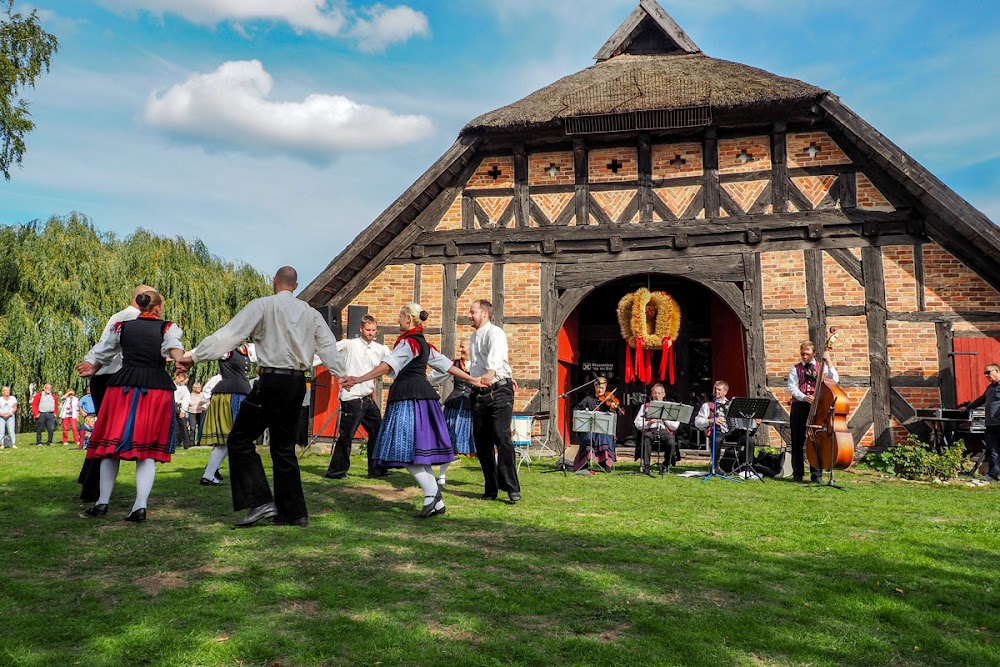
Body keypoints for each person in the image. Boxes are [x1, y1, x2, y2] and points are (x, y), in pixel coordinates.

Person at [182, 266, 345, 528]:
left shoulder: (263, 306)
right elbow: (328, 346)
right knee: (283, 447)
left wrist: (194, 356)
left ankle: (259, 501)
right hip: (296, 383)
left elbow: (229, 335)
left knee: (239, 439)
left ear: (274, 282)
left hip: (272, 381)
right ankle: (293, 513)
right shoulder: (311, 313)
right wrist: (342, 373)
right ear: (295, 285)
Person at [342, 303, 481, 517]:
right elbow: (447, 365)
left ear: (408, 318)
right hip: (423, 399)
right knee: (415, 454)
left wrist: (358, 379)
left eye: (400, 316)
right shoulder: (423, 344)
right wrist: (473, 379)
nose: (398, 320)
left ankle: (432, 496)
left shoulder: (408, 343)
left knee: (406, 451)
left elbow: (388, 365)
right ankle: (434, 499)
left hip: (408, 399)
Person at [76, 289, 187, 522]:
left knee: (110, 445)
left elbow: (105, 351)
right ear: (158, 308)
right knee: (147, 451)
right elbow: (174, 345)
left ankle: (102, 503)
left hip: (123, 386)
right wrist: (180, 360)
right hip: (154, 387)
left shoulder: (122, 327)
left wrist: (92, 367)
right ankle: (140, 506)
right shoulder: (167, 327)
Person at [77, 284, 152, 502]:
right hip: (113, 379)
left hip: (104, 377)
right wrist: (93, 363)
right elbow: (110, 346)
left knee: (104, 430)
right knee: (109, 433)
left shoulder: (119, 316)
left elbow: (105, 345)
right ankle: (92, 488)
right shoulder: (133, 318)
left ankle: (89, 480)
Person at [325, 314, 391, 480]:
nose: (370, 333)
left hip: (367, 397)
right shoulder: (349, 344)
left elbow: (394, 362)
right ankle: (336, 471)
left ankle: (376, 470)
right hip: (351, 397)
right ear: (361, 329)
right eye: (368, 330)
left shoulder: (380, 349)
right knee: (347, 435)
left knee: (378, 430)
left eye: (373, 330)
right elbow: (328, 352)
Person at [468, 299, 521, 503]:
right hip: (480, 392)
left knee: (501, 435)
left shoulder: (495, 332)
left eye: (472, 312)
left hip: (499, 391)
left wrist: (492, 372)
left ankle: (511, 487)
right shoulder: (474, 337)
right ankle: (491, 488)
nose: (469, 316)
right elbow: (476, 365)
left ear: (484, 313)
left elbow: (496, 355)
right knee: (482, 441)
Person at [197, 343, 254, 486]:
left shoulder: (247, 349)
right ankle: (210, 474)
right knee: (230, 437)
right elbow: (206, 350)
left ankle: (213, 470)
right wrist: (187, 358)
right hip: (229, 395)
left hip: (238, 394)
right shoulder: (226, 349)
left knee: (232, 438)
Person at [787, 341, 839, 483]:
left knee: (815, 439)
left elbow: (834, 380)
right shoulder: (795, 369)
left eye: (807, 354)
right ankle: (797, 474)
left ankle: (816, 474)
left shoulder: (821, 367)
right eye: (802, 354)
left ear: (814, 353)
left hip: (817, 407)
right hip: (800, 406)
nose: (804, 357)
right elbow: (792, 387)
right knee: (797, 440)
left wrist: (829, 361)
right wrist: (804, 397)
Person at [430, 337, 475, 486]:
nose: (460, 349)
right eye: (460, 346)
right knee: (449, 440)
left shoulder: (479, 364)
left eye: (463, 347)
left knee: (480, 439)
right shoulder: (454, 364)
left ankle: (495, 475)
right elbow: (434, 377)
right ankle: (442, 475)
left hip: (472, 406)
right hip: (455, 405)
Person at [572, 377, 620, 473]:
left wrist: (612, 409)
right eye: (598, 387)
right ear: (595, 387)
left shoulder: (609, 399)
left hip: (604, 429)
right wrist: (585, 413)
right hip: (590, 429)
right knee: (587, 436)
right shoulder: (588, 399)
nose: (600, 390)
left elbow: (613, 417)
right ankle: (584, 462)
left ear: (605, 387)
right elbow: (577, 410)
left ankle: (605, 463)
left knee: (604, 437)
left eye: (602, 388)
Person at [633, 383, 680, 470]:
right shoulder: (645, 406)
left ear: (664, 394)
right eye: (654, 393)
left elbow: (675, 426)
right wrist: (649, 423)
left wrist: (665, 418)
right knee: (646, 438)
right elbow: (637, 423)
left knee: (671, 441)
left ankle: (666, 465)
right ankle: (646, 466)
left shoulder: (671, 407)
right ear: (651, 394)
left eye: (659, 393)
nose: (657, 395)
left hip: (665, 431)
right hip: (651, 430)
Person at [966, 363, 1000, 482]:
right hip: (990, 424)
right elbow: (982, 399)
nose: (986, 375)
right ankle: (993, 475)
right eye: (985, 373)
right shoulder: (990, 388)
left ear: (996, 371)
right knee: (992, 450)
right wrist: (968, 407)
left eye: (988, 372)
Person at [173, 373, 192, 449]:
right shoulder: (171, 385)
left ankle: (186, 444)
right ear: (177, 377)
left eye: (183, 381)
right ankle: (175, 443)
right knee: (174, 426)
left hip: (179, 406)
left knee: (183, 425)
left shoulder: (184, 388)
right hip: (171, 405)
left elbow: (186, 399)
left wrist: (183, 410)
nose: (181, 383)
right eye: (181, 381)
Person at [185, 381, 207, 446]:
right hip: (192, 412)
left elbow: (206, 401)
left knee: (201, 427)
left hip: (201, 412)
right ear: (194, 388)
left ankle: (200, 441)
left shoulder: (202, 395)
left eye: (200, 387)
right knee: (192, 427)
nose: (199, 389)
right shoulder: (190, 395)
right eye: (198, 387)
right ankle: (191, 442)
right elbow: (187, 403)